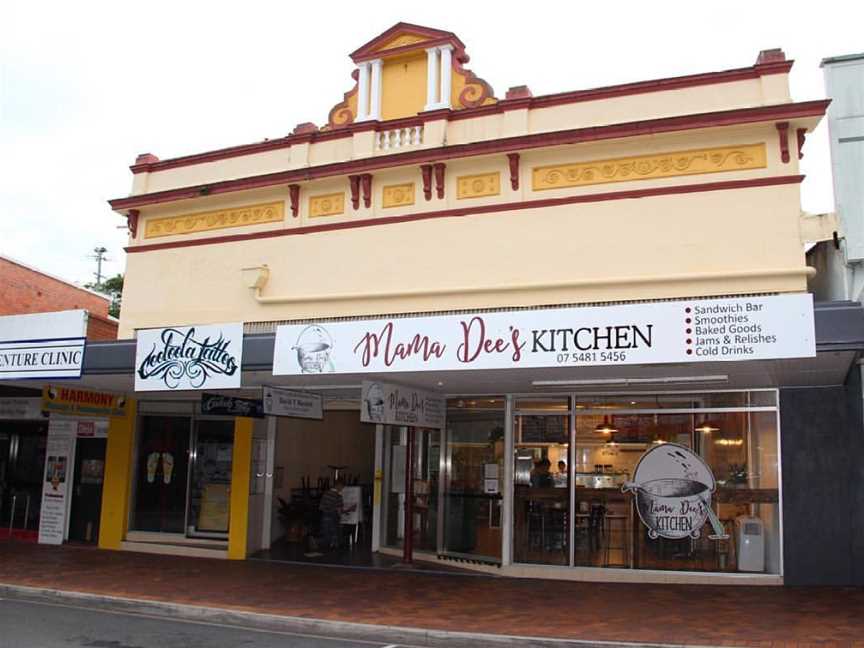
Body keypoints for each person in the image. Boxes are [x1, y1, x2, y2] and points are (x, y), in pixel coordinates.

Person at [317, 478, 355, 550]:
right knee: (335, 538)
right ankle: (334, 555)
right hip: (333, 519)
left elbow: (321, 507)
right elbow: (339, 511)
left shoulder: (325, 493)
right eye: (342, 487)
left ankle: (317, 543)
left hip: (324, 517)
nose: (342, 489)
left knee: (326, 536)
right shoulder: (338, 496)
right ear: (339, 486)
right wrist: (350, 509)